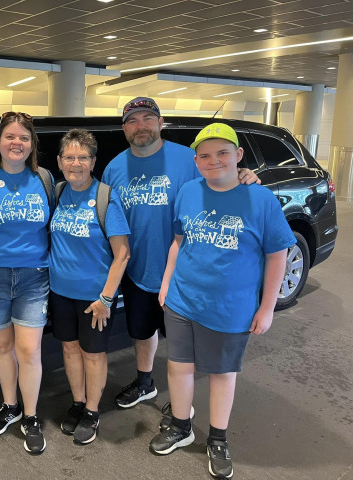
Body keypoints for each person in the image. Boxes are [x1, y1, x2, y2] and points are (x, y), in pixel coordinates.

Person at [148, 123, 295, 478]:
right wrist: (166, 284)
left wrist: (267, 307)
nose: (214, 161)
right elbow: (178, 242)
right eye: (205, 156)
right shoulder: (187, 191)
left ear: (238, 156)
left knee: (221, 374)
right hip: (183, 299)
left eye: (223, 153)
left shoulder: (260, 199)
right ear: (196, 160)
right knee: (178, 367)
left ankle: (217, 438)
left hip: (231, 307)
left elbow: (278, 255)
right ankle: (180, 426)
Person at [102, 97, 259, 413]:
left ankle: (182, 401)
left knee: (184, 342)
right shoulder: (113, 168)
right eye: (133, 120)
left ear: (161, 124)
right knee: (142, 332)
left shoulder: (189, 160)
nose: (141, 125)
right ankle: (145, 382)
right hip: (137, 270)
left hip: (186, 272)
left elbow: (222, 184)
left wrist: (246, 177)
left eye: (148, 118)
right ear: (124, 129)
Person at [0, 111, 52, 455]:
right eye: (10, 136)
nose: (16, 143)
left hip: (34, 276)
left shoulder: (44, 178)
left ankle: (30, 415)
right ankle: (10, 406)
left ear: (32, 145)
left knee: (29, 350)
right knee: (2, 348)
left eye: (24, 138)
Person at [48, 129, 130, 445]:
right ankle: (78, 402)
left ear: (93, 161)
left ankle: (93, 411)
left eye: (83, 157)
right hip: (60, 292)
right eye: (69, 157)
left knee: (93, 354)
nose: (76, 163)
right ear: (59, 161)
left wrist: (106, 298)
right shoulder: (57, 192)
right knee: (69, 348)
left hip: (95, 298)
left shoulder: (106, 198)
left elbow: (122, 253)